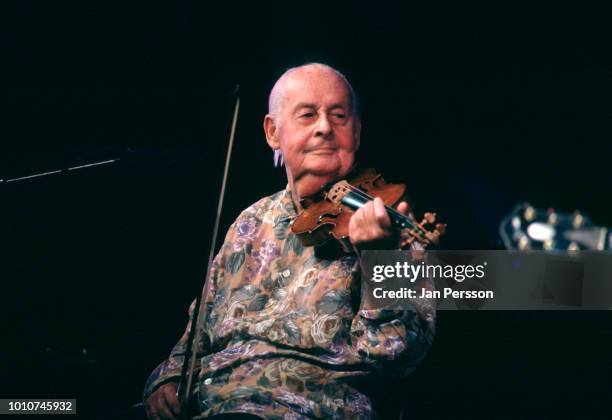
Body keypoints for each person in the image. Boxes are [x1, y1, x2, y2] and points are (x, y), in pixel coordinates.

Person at [143, 63, 435, 420]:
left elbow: (398, 356)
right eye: (308, 115)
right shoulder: (250, 222)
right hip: (213, 406)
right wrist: (167, 379)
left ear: (356, 133)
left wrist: (380, 256)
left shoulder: (390, 224)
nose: (325, 127)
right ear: (273, 132)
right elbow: (199, 329)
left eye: (339, 116)